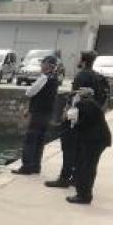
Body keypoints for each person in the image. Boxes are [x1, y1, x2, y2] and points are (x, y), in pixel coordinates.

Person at [47, 51, 109, 189]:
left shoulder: (82, 75)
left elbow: (75, 99)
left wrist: (66, 114)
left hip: (76, 120)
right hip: (88, 120)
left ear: (83, 61)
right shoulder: (96, 76)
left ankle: (64, 178)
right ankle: (75, 178)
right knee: (80, 151)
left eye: (79, 58)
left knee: (69, 149)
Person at [13, 55, 59, 175]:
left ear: (48, 65)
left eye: (42, 63)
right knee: (39, 141)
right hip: (47, 114)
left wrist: (30, 108)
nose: (41, 65)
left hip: (38, 114)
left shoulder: (44, 78)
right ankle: (36, 166)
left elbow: (30, 92)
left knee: (30, 139)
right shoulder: (55, 78)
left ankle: (26, 167)